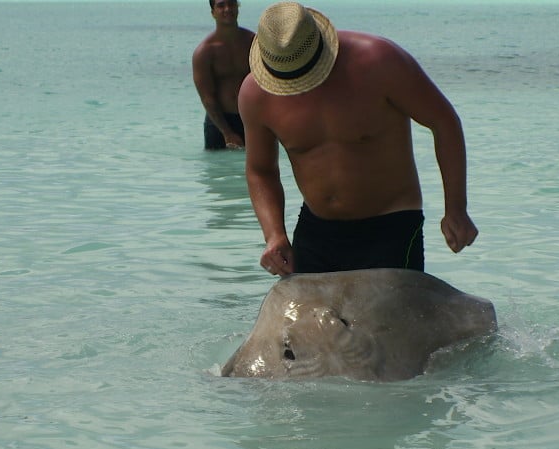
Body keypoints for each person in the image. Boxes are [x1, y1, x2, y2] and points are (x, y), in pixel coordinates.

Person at [238, 2, 478, 276]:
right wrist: (274, 235)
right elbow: (261, 170)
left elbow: (444, 122)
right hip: (316, 232)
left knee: (394, 320)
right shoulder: (255, 95)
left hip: (391, 228)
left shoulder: (380, 61)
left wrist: (456, 208)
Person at [193, 0, 256, 150]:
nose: (227, 9)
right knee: (219, 171)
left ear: (238, 7)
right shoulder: (205, 52)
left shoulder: (253, 43)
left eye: (232, 4)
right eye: (221, 5)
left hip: (251, 119)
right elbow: (207, 97)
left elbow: (269, 82)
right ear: (213, 12)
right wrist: (227, 132)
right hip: (219, 123)